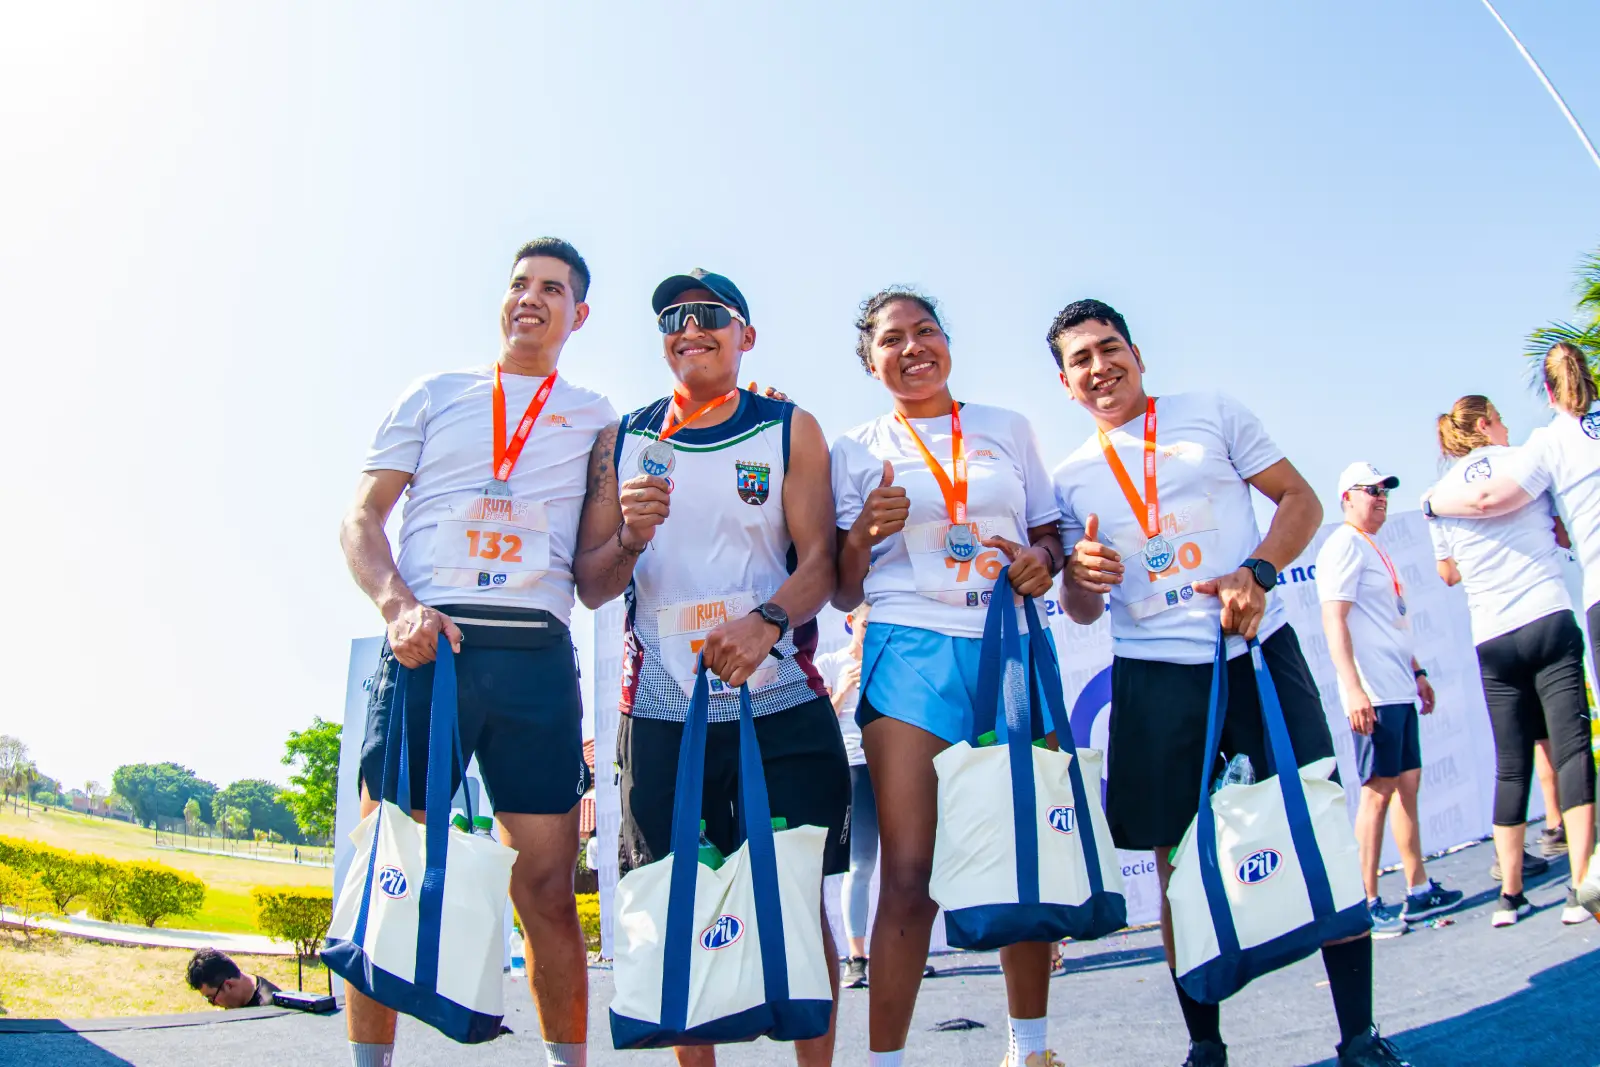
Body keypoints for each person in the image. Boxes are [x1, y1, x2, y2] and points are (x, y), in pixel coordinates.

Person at [1050, 299, 1404, 1067]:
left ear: (1138, 354)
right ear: (1065, 383)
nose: (1099, 367)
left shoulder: (1211, 412)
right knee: (1176, 861)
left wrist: (1258, 571)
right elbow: (1079, 607)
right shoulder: (1068, 479)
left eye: (1109, 348)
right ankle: (1205, 1046)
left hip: (1255, 654)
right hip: (1152, 676)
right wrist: (1080, 576)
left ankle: (1359, 1036)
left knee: (1318, 827)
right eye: (1080, 360)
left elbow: (1302, 499)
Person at [340, 238, 612, 1067]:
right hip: (432, 648)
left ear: (578, 314)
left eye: (552, 288)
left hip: (535, 658)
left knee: (547, 891)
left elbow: (600, 571)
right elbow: (360, 518)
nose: (531, 297)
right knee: (390, 870)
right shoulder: (435, 393)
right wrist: (398, 607)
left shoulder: (599, 418)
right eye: (520, 283)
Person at [572, 268, 847, 1067]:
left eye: (708, 314)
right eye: (672, 318)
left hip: (778, 696)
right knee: (680, 904)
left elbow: (821, 565)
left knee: (797, 903)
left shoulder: (789, 426)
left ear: (745, 334)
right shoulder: (623, 439)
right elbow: (593, 585)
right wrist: (630, 537)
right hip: (666, 707)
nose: (688, 327)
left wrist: (767, 622)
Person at [832, 288, 1066, 1067]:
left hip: (1008, 644)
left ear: (947, 341)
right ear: (870, 362)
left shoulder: (1008, 427)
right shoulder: (853, 448)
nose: (912, 347)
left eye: (925, 330)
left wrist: (1042, 560)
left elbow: (1048, 535)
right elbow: (843, 588)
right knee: (909, 871)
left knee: (1020, 852)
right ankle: (886, 1061)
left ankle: (1029, 1050)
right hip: (910, 646)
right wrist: (862, 533)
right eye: (891, 339)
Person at [1424, 392, 1596, 927]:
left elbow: (1448, 574)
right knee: (1571, 752)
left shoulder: (1438, 495)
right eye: (1498, 420)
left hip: (1493, 636)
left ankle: (1510, 896)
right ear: (1484, 425)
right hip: (1546, 615)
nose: (1505, 427)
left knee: (1512, 763)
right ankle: (1580, 886)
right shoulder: (1526, 458)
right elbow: (1563, 530)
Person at [1315, 462, 1463, 937]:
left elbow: (1389, 620)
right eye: (1371, 490)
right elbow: (1333, 620)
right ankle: (1365, 900)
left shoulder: (1370, 545)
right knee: (1377, 792)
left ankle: (1418, 889)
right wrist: (1354, 688)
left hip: (1398, 686)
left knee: (1408, 783)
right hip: (1374, 692)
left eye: (1385, 491)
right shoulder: (1342, 544)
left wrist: (1417, 671)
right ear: (1346, 499)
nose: (1381, 497)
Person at [815, 603, 876, 990]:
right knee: (860, 864)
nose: (870, 630)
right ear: (851, 622)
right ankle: (857, 957)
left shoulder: (890, 660)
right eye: (866, 623)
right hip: (853, 765)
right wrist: (842, 691)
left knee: (905, 864)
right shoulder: (831, 662)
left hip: (890, 765)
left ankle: (899, 948)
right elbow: (818, 722)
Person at [186, 948, 281, 1009]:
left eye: (211, 998)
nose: (213, 1004)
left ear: (229, 985)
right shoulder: (235, 1003)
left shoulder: (271, 1009)